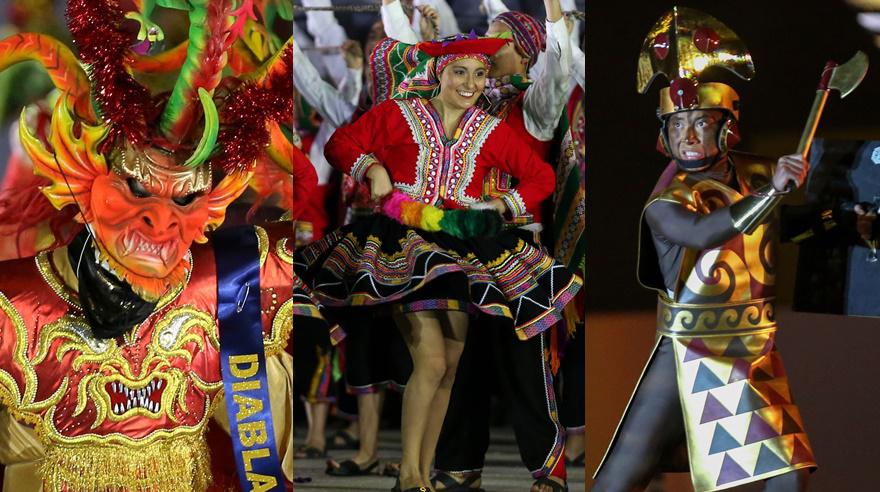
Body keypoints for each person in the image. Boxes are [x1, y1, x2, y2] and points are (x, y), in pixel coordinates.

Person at [0, 0, 295, 489]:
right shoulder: (14, 306)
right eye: (137, 186)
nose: (159, 220)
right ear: (84, 178)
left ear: (212, 207)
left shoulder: (228, 281)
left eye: (185, 198)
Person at [295, 33, 582, 492]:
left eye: (479, 74)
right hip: (405, 245)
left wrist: (501, 207)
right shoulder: (399, 114)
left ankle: (423, 475)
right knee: (429, 361)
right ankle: (409, 475)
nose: (469, 83)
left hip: (465, 249)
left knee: (449, 363)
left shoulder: (489, 130)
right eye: (459, 72)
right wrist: (374, 169)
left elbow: (541, 176)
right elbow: (340, 144)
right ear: (438, 74)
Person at [592, 7, 818, 491]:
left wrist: (837, 218)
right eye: (677, 125)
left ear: (727, 126)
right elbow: (706, 233)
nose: (688, 135)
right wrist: (774, 191)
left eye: (700, 122)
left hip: (752, 346)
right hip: (694, 348)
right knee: (628, 469)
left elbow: (780, 234)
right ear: (663, 134)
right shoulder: (666, 203)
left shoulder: (759, 174)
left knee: (787, 471)